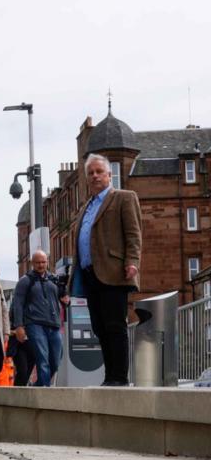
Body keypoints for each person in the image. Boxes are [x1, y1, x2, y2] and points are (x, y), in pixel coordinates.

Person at [68, 153, 142, 386]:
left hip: (113, 271)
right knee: (99, 328)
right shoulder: (86, 207)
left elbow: (133, 233)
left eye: (99, 172)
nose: (94, 176)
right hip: (90, 274)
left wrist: (132, 261)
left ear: (110, 175)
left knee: (114, 325)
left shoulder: (123, 197)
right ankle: (110, 376)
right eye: (90, 173)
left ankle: (119, 377)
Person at [11, 250, 68, 386]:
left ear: (47, 262)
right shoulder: (25, 281)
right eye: (38, 262)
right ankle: (44, 390)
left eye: (43, 262)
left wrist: (67, 300)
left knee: (55, 361)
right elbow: (17, 305)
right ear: (32, 263)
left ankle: (37, 386)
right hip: (34, 325)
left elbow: (64, 298)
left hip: (54, 325)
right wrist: (19, 326)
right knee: (43, 360)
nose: (41, 265)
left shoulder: (54, 279)